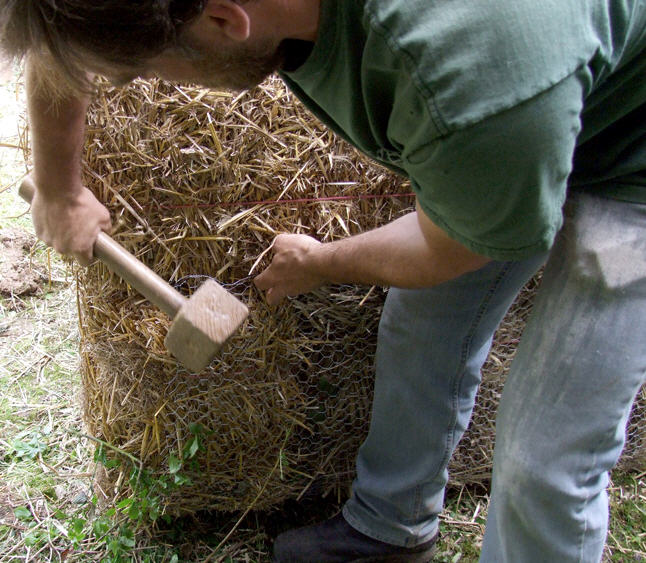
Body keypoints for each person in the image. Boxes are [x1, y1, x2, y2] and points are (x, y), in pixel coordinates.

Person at [1, 1, 645, 561]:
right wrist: (59, 187)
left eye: (144, 72)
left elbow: (449, 248)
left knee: (546, 459)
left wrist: (322, 262)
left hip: (629, 158)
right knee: (423, 323)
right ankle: (393, 527)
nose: (142, 82)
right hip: (523, 124)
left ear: (226, 18)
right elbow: (70, 35)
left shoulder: (464, 74)